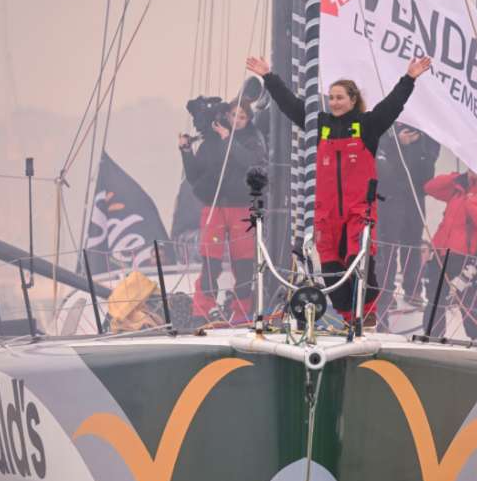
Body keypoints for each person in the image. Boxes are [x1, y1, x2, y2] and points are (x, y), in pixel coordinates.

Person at [246, 54, 432, 325]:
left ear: (353, 100)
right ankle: (348, 319)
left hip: (359, 211)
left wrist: (410, 78)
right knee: (332, 273)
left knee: (360, 265)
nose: (334, 102)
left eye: (340, 97)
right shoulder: (319, 125)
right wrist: (268, 76)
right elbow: (290, 105)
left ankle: (366, 317)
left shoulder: (368, 126)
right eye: (331, 97)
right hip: (327, 214)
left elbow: (393, 106)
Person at [179, 99, 266, 324]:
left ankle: (242, 312)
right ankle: (202, 311)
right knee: (210, 261)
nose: (237, 120)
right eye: (233, 115)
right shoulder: (211, 142)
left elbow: (251, 162)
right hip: (215, 207)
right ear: (226, 115)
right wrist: (186, 151)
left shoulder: (254, 139)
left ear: (249, 119)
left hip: (242, 207)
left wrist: (228, 140)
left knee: (244, 264)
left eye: (242, 117)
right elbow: (194, 176)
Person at [420, 170, 477, 338]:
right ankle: (431, 336)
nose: (471, 171)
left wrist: (471, 202)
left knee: (467, 301)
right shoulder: (458, 187)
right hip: (441, 252)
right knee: (435, 297)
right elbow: (430, 187)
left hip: (463, 257)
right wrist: (454, 178)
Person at [374, 123, 440, 320]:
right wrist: (399, 143)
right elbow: (382, 167)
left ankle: (413, 290)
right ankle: (386, 293)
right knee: (389, 246)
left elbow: (427, 174)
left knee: (412, 244)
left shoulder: (427, 134)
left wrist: (419, 146)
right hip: (390, 197)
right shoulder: (387, 130)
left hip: (414, 196)